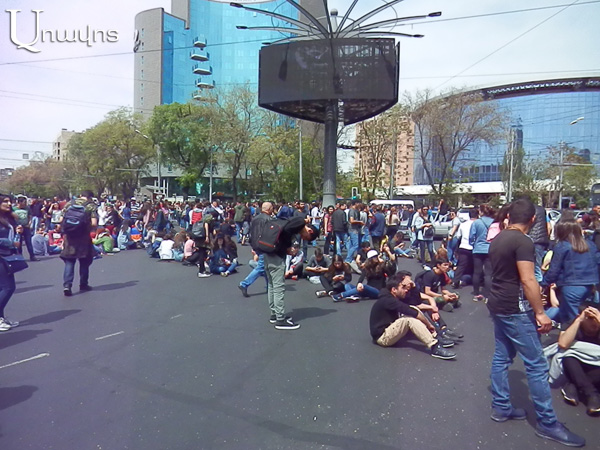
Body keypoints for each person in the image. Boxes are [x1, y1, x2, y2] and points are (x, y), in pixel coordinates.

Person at [487, 198, 585, 447]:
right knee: (537, 365)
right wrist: (540, 313)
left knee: (502, 356)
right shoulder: (523, 241)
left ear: (509, 216)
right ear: (533, 219)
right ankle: (548, 423)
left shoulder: (499, 237)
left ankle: (501, 407)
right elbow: (528, 279)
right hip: (515, 308)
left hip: (498, 303)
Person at [369, 272, 456, 359]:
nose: (406, 290)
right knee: (408, 320)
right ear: (394, 290)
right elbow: (412, 312)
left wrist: (414, 287)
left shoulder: (394, 296)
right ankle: (434, 346)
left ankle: (435, 336)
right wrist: (429, 325)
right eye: (403, 287)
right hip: (383, 337)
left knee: (413, 308)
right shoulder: (388, 300)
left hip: (390, 327)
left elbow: (416, 302)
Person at [262, 205, 319, 330]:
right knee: (278, 288)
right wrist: (287, 247)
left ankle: (274, 314)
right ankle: (280, 319)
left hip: (268, 252)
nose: (303, 238)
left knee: (272, 285)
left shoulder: (292, 221)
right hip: (276, 255)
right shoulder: (299, 223)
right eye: (306, 237)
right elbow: (286, 231)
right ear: (309, 231)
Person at [542, 221, 599, 324]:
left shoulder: (562, 246)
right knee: (568, 314)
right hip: (590, 285)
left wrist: (544, 283)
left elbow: (554, 269)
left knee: (574, 320)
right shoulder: (590, 245)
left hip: (571, 285)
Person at [556, 302, 600, 416]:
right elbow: (563, 344)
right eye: (590, 318)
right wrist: (579, 320)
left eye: (595, 318)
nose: (594, 322)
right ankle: (591, 394)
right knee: (568, 357)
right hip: (577, 366)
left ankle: (573, 385)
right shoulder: (572, 323)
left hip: (596, 366)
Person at [60, 190, 98, 296]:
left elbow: (60, 219)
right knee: (84, 261)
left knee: (69, 261)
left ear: (80, 195)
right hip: (83, 237)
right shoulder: (91, 206)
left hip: (70, 238)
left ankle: (67, 286)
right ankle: (83, 284)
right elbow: (94, 223)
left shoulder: (69, 204)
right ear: (90, 197)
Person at [0, 194, 22, 331]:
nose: (9, 204)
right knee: (8, 287)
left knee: (2, 288)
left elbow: (15, 240)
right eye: (5, 201)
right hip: (1, 255)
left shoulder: (7, 218)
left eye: (10, 201)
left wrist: (18, 233)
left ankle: (1, 318)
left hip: (7, 255)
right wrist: (10, 243)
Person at [470, 204, 495, 302]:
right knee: (488, 274)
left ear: (481, 212)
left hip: (478, 249)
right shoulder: (494, 222)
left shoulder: (476, 222)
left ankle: (476, 293)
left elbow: (471, 236)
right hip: (490, 249)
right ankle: (487, 295)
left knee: (477, 272)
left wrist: (473, 244)